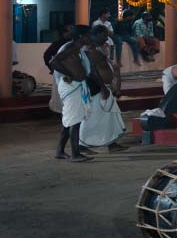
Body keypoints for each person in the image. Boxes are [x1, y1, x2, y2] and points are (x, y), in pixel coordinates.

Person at [49, 25, 94, 162]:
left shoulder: (77, 48)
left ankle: (60, 151)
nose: (90, 38)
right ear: (80, 36)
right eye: (88, 35)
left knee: (70, 119)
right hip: (71, 87)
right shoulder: (70, 47)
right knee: (74, 120)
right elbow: (54, 61)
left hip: (76, 86)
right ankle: (75, 154)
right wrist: (68, 74)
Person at [80, 27, 127, 151]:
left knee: (109, 116)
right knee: (93, 118)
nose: (106, 38)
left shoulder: (97, 49)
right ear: (97, 34)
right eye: (105, 35)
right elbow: (91, 72)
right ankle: (82, 144)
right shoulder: (88, 50)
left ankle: (111, 142)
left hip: (104, 87)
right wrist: (102, 87)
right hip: (96, 89)